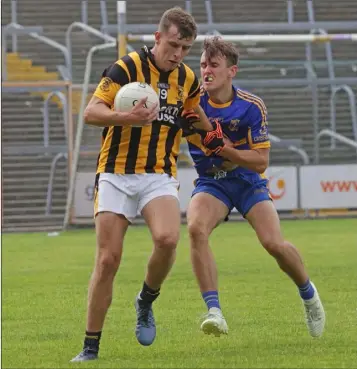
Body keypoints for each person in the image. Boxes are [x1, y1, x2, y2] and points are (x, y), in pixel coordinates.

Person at [71, 7, 214, 362]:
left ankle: (146, 300)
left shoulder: (187, 79)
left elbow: (197, 119)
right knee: (108, 260)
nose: (178, 53)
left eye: (185, 48)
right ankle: (90, 347)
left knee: (167, 239)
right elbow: (90, 112)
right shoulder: (126, 68)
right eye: (174, 44)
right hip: (116, 172)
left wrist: (209, 131)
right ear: (158, 37)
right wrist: (127, 118)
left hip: (158, 174)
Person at [184, 36, 326, 338]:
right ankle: (214, 312)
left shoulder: (251, 107)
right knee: (195, 228)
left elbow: (260, 162)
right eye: (203, 64)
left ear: (232, 71)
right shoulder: (191, 104)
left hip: (247, 181)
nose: (206, 70)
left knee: (273, 244)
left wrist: (226, 149)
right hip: (212, 183)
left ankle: (309, 294)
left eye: (214, 65)